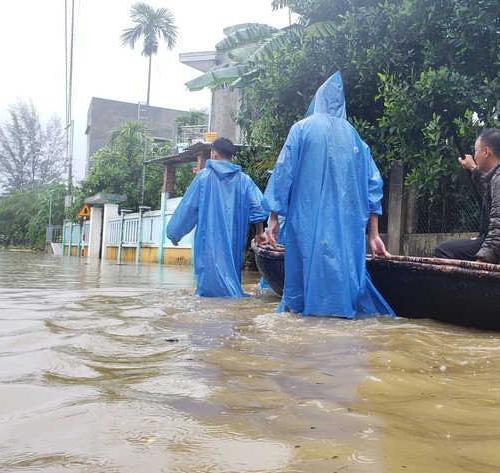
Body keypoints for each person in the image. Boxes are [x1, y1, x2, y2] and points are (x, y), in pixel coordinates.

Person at [261, 71, 395, 318]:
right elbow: (374, 184)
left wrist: (274, 218)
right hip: (347, 229)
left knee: (301, 292)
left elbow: (282, 174)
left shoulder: (301, 129)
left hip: (306, 224)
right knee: (343, 285)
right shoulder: (355, 137)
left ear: (318, 99)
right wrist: (374, 235)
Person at [167, 137, 268, 297]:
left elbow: (188, 208)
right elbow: (260, 207)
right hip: (233, 244)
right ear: (232, 157)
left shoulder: (203, 177)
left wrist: (174, 233)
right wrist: (259, 233)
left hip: (207, 244)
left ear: (213, 154)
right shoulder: (245, 181)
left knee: (207, 292)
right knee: (231, 283)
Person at [433, 128, 500, 266]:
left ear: (486, 152)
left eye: (476, 151)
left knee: (443, 251)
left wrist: (482, 260)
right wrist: (473, 169)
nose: (475, 156)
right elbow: (488, 182)